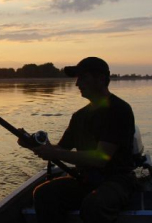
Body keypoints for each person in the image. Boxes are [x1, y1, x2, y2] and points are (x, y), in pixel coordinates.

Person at [18, 57, 137, 223]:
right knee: (44, 193)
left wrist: (53, 152)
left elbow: (100, 159)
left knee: (95, 204)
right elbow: (60, 149)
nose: (77, 83)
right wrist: (32, 145)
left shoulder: (119, 110)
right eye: (77, 78)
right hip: (85, 179)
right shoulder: (79, 116)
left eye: (83, 77)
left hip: (116, 181)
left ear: (101, 79)